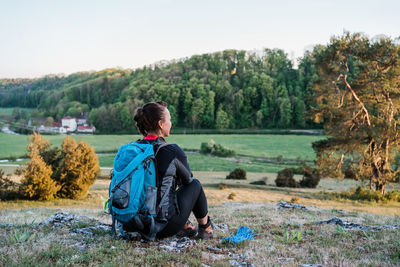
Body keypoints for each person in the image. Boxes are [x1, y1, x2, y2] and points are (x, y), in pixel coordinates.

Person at [126, 101, 213, 239]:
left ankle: (185, 225)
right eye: (169, 120)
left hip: (130, 223)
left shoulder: (133, 149)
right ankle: (206, 229)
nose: (171, 123)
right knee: (195, 184)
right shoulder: (172, 150)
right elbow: (188, 181)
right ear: (161, 124)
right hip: (161, 227)